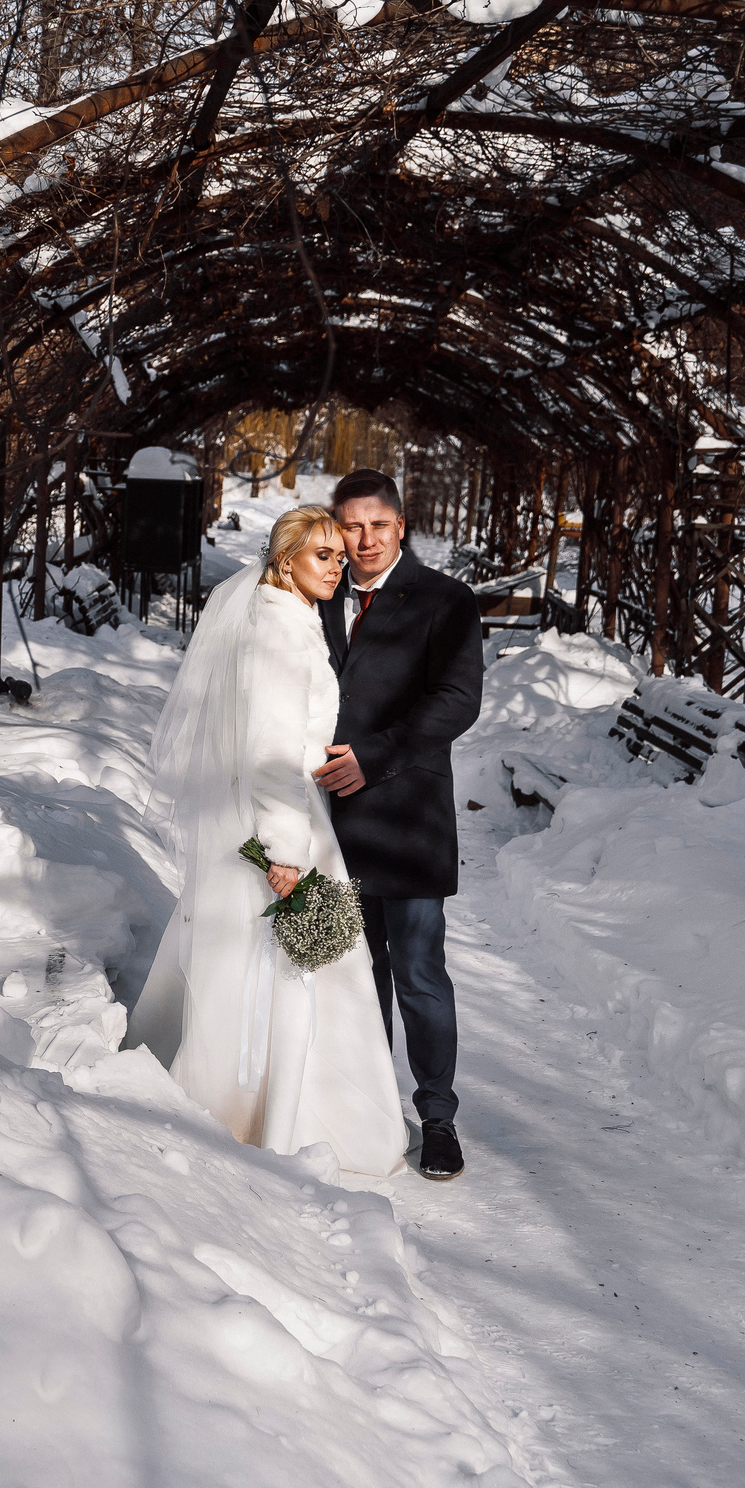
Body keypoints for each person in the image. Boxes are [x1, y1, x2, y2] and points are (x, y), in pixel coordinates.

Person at [129, 506, 406, 1177]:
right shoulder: (280, 637)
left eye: (341, 556)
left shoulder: (286, 619)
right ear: (285, 562)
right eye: (322, 556)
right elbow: (270, 755)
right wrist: (286, 854)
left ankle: (255, 1101)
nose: (338, 566)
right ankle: (266, 1114)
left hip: (281, 816)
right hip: (279, 824)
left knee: (280, 969)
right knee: (285, 973)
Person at [315, 469, 485, 1182]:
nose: (365, 540)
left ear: (401, 525)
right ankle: (367, 1109)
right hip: (329, 821)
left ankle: (438, 1116)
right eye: (351, 526)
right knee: (354, 971)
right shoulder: (317, 596)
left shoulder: (444, 601)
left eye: (377, 524)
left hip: (409, 817)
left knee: (417, 972)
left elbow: (456, 701)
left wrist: (374, 756)